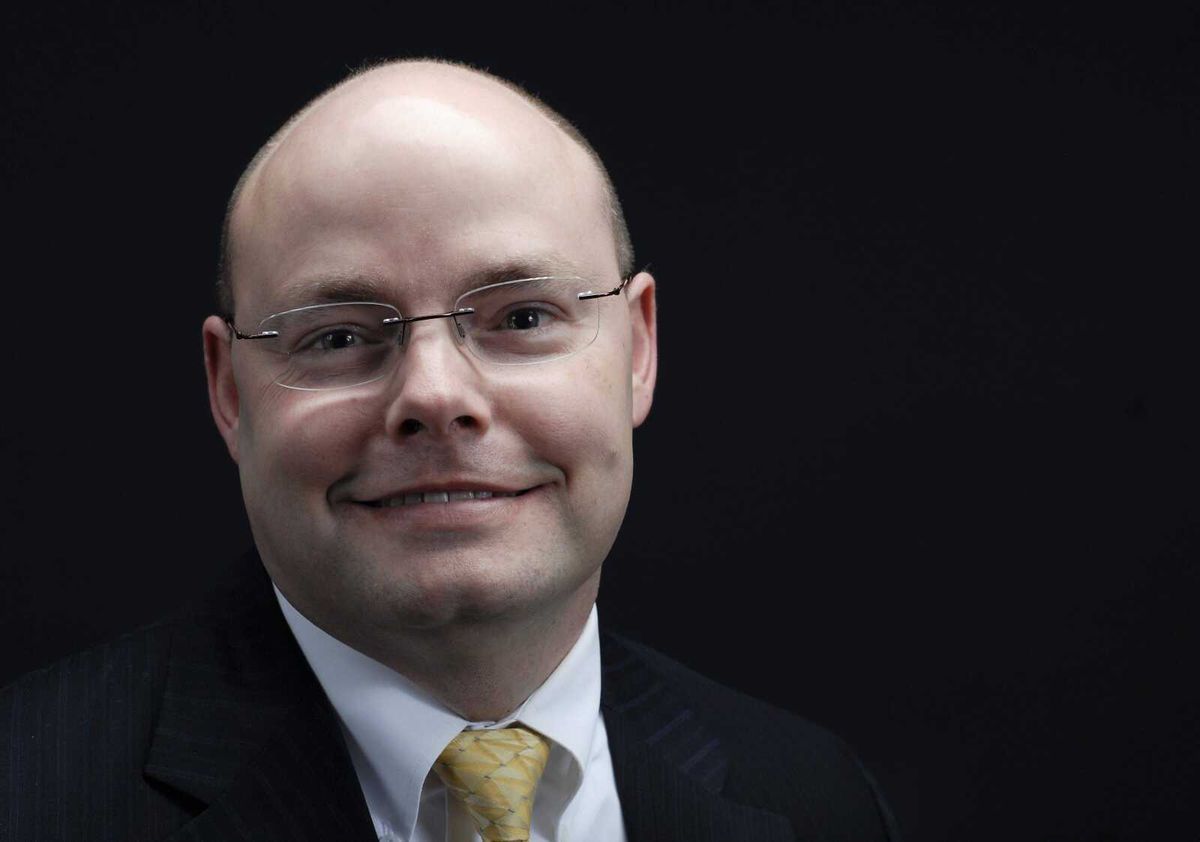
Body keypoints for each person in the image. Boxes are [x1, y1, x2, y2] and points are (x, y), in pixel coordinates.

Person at [0, 59, 899, 841]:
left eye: (523, 317)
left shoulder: (809, 797)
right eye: (339, 336)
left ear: (640, 348)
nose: (435, 396)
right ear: (229, 390)